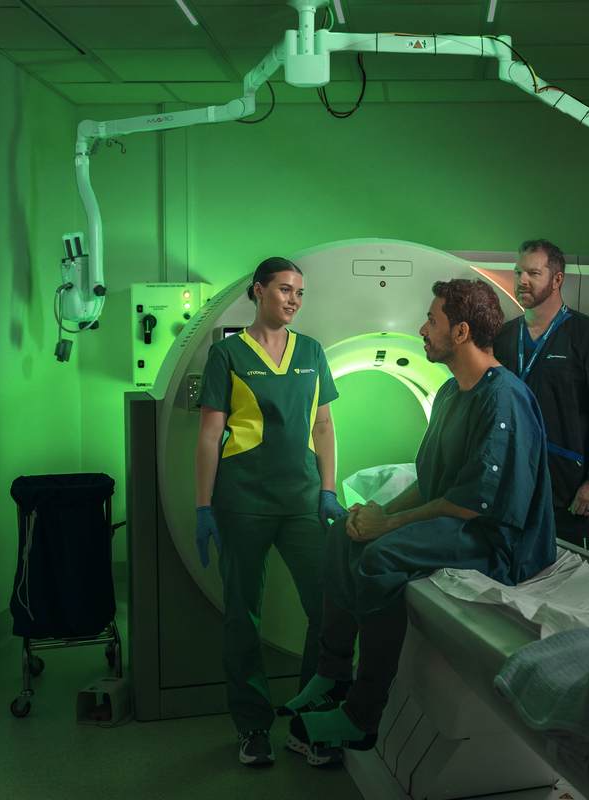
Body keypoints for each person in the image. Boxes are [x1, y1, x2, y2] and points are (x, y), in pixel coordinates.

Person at [277, 278, 557, 764]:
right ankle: (332, 673)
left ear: (461, 332)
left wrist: (388, 528)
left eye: (432, 320)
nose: (422, 330)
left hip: (499, 540)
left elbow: (472, 504)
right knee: (343, 533)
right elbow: (430, 482)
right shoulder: (451, 393)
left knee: (381, 557)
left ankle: (362, 715)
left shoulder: (503, 399)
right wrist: (379, 512)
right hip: (461, 520)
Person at [194, 256, 348, 766]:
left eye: (299, 292)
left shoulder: (312, 351)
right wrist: (203, 506)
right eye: (284, 290)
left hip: (302, 499)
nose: (293, 300)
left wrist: (327, 490)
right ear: (258, 291)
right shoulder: (227, 354)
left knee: (327, 608)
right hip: (242, 501)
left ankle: (308, 723)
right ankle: (253, 726)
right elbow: (210, 435)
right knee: (243, 615)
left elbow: (323, 426)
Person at [492, 239, 589, 552]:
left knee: (565, 574)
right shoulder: (503, 337)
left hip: (566, 493)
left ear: (557, 279)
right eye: (518, 272)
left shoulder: (588, 336)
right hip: (509, 489)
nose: (522, 280)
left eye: (533, 273)